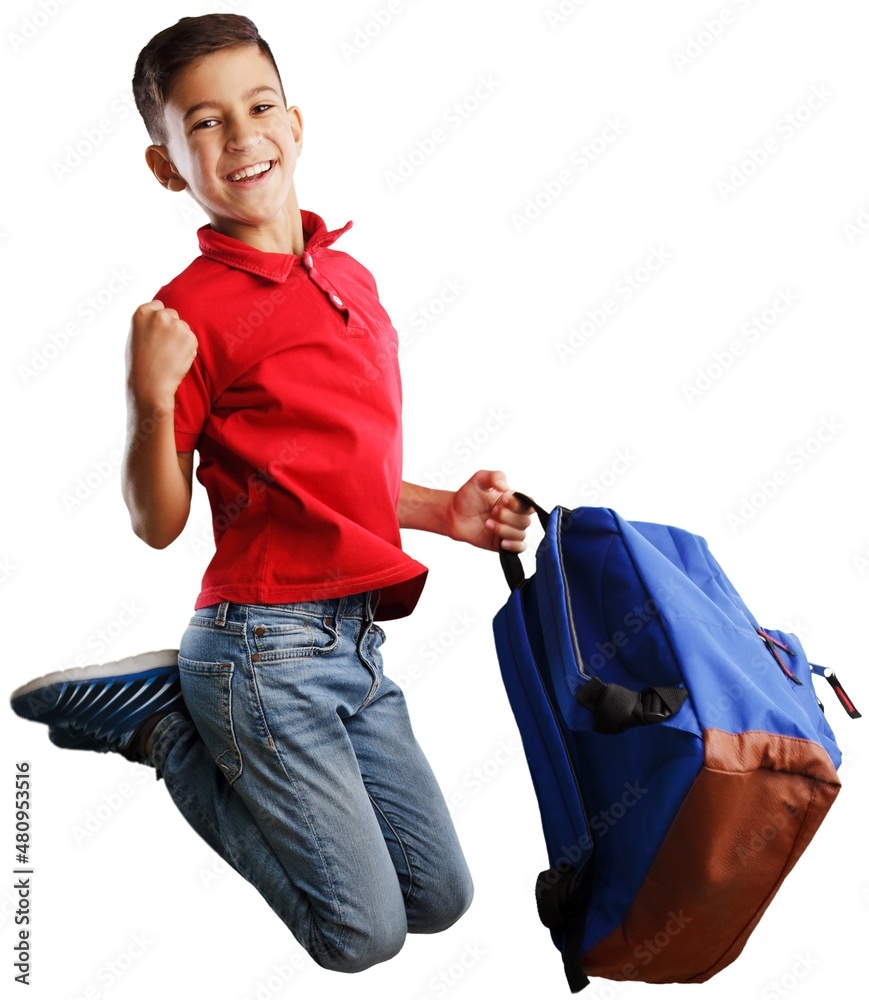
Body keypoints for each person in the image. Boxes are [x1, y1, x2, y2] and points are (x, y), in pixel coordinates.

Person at [10, 13, 532, 975]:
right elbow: (156, 524)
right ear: (167, 167)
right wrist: (148, 393)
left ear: (295, 123)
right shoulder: (186, 317)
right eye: (202, 124)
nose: (239, 135)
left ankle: (183, 713)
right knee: (359, 937)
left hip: (354, 641)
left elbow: (332, 480)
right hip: (262, 647)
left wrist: (445, 513)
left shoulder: (350, 276)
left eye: (256, 108)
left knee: (441, 900)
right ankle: (166, 729)